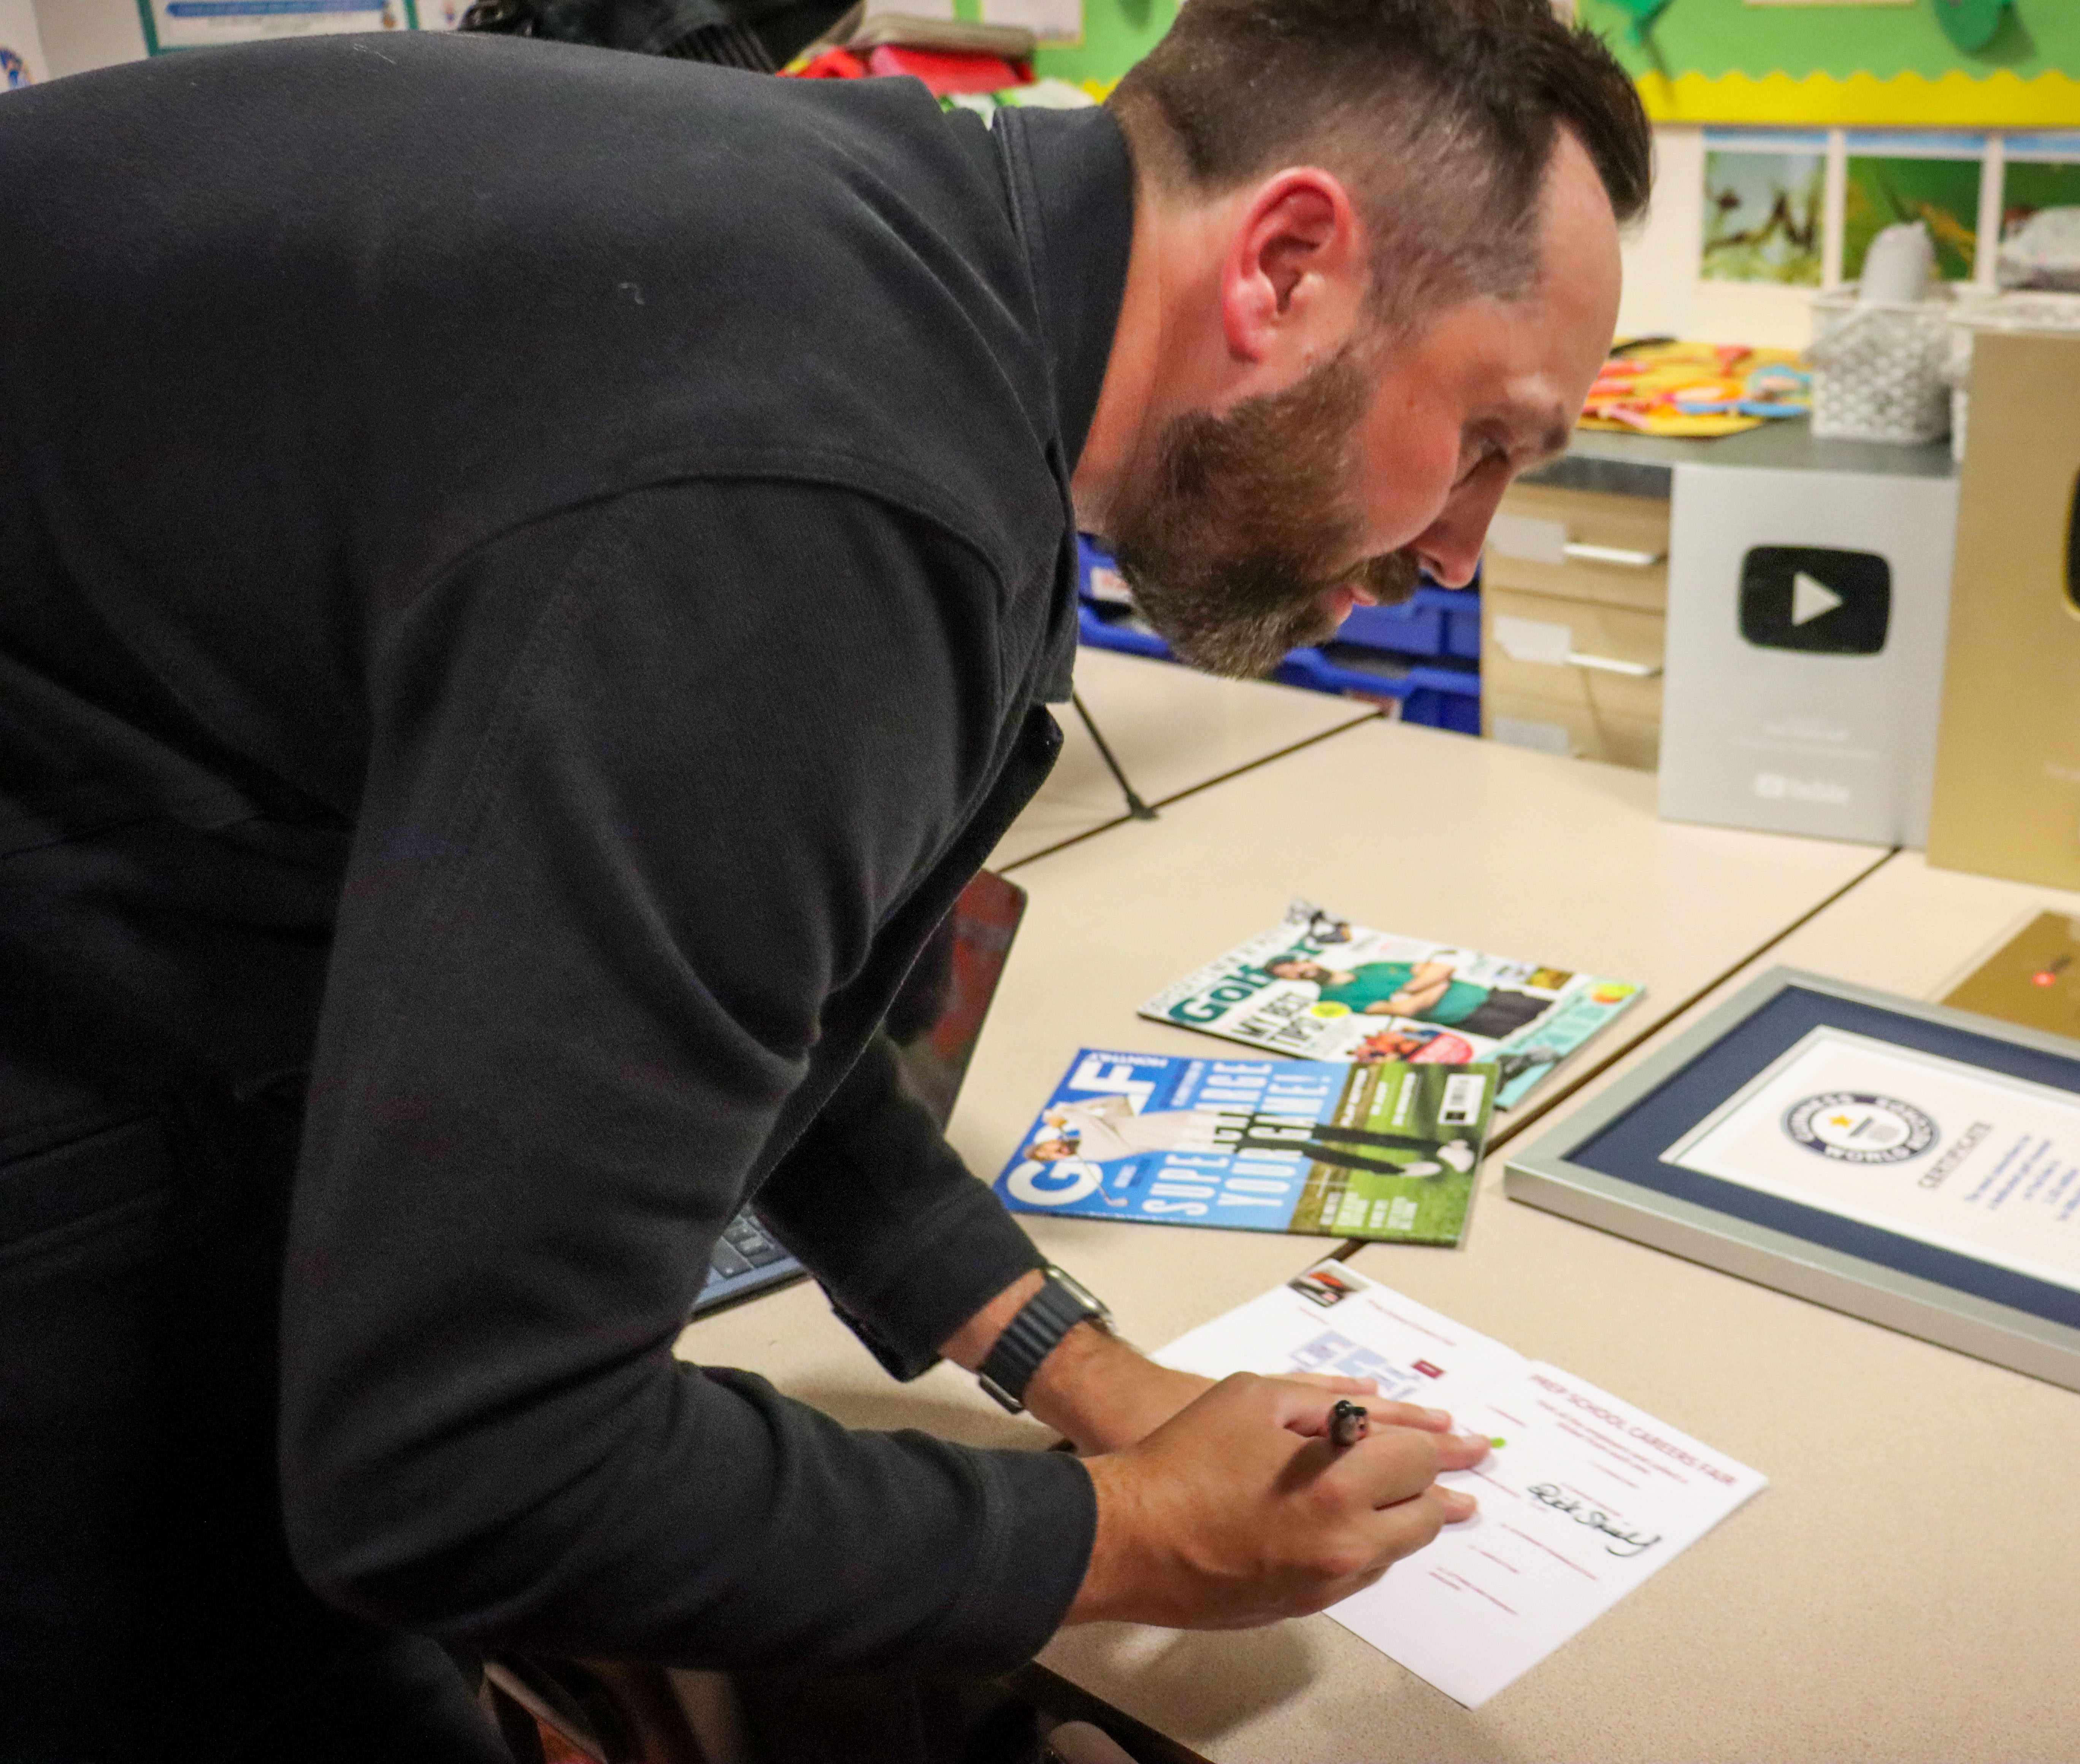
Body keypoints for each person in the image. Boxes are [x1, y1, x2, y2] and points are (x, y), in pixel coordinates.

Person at [0, 0, 1643, 1754]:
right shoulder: (815, 477)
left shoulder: (918, 292)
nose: (1461, 552)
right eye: (1486, 435)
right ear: (1287, 265)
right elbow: (471, 1464)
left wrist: (1083, 1370)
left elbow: (706, 965)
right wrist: (1134, 1534)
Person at [1028, 1094, 1476, 1179]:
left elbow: (1118, 1102)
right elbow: (1089, 1122)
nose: (1055, 1148)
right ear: (1056, 1159)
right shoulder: (1096, 1150)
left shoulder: (1102, 1128)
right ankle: (1395, 1170)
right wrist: (1065, 1113)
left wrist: (1071, 1110)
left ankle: (1437, 1147)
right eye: (1050, 1153)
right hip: (1217, 1137)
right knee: (1309, 1146)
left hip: (1217, 1118)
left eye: (1048, 1144)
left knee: (1323, 1131)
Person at [1265, 954, 1553, 1041]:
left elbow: (1441, 968)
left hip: (1493, 995)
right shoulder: (1332, 1000)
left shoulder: (1369, 967)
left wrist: (1414, 988)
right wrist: (1436, 986)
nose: (1297, 972)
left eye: (1293, 965)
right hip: (1470, 1018)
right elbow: (1403, 1009)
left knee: (1559, 1014)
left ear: (1304, 960)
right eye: (1288, 975)